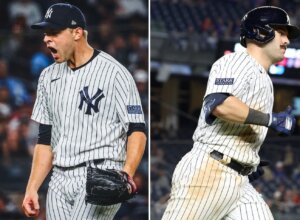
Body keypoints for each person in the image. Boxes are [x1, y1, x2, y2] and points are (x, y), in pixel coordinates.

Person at [162, 6, 299, 220]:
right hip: (209, 171)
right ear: (261, 32)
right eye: (282, 33)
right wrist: (270, 119)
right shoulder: (235, 61)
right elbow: (220, 104)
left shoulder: (262, 76)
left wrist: (246, 159)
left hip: (238, 180)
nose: (287, 41)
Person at [21, 3, 147, 220]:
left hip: (101, 172)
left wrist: (126, 173)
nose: (46, 39)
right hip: (59, 179)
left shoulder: (115, 72)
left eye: (53, 33)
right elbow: (45, 139)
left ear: (77, 32)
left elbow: (136, 129)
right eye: (45, 33)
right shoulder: (47, 77)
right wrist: (32, 187)